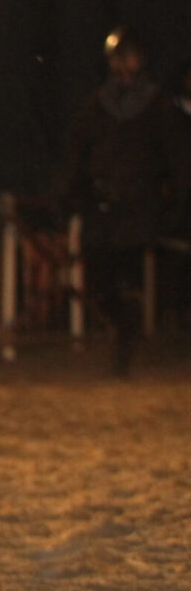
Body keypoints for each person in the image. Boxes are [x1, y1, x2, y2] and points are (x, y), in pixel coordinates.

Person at [54, 29, 191, 374]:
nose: (121, 65)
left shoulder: (157, 106)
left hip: (139, 208)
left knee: (130, 279)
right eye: (116, 58)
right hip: (103, 208)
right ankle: (123, 328)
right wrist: (66, 193)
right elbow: (77, 154)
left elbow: (178, 160)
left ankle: (124, 350)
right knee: (98, 282)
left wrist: (176, 203)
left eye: (126, 57)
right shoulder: (96, 106)